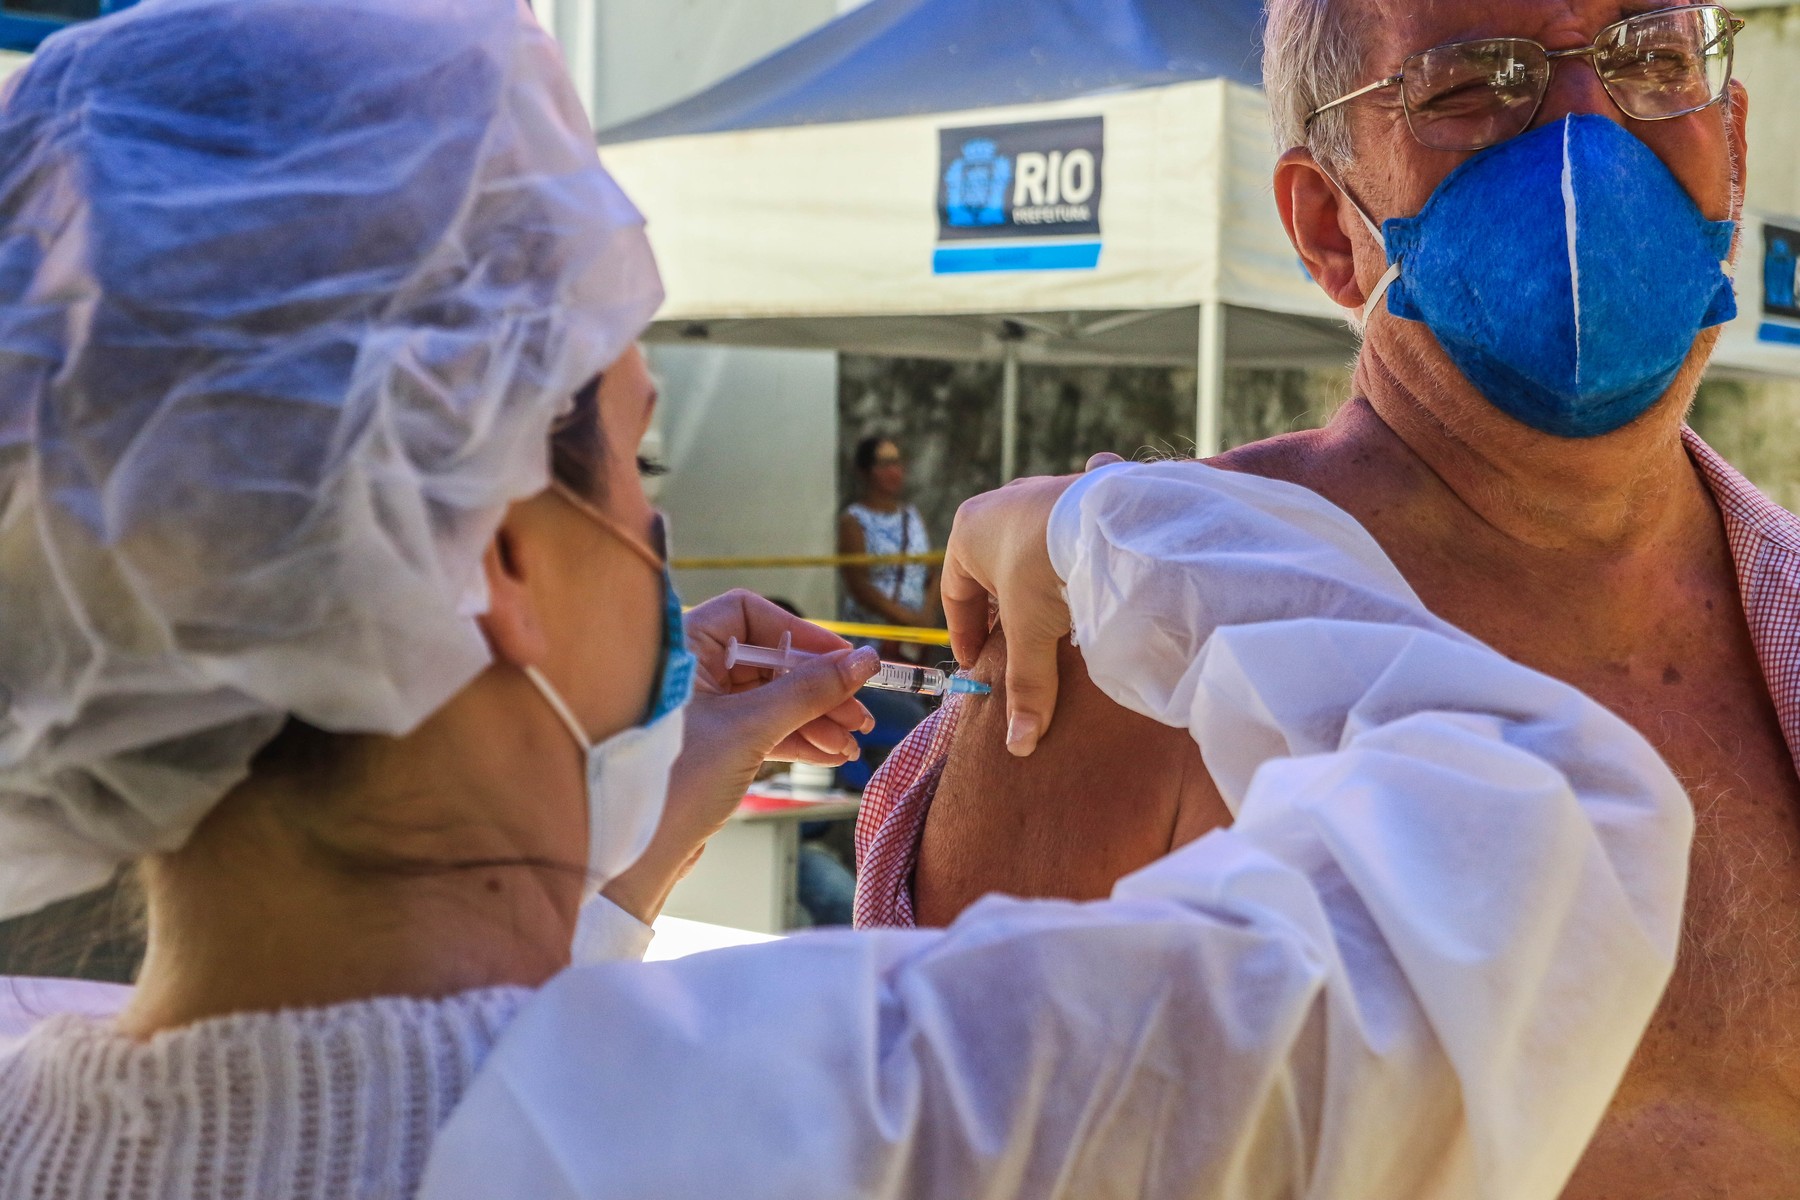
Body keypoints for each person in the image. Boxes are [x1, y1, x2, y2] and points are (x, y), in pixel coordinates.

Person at [0, 1, 1694, 1197]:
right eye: (635, 478)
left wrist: (634, 830)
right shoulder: (878, 1124)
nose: (660, 546)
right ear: (496, 555)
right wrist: (1115, 528)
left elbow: (415, 1096)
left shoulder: (38, 1093)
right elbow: (1536, 834)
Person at [857, 2, 1800, 1196]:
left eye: (1653, 60)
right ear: (1327, 227)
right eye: (1475, 86)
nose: (1585, 129)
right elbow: (951, 1154)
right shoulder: (1124, 634)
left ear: (1733, 143)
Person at [838, 436, 939, 648]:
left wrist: (926, 618)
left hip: (912, 638)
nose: (895, 471)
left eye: (897, 462)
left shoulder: (911, 516)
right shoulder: (854, 520)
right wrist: (907, 619)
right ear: (866, 471)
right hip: (873, 637)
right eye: (885, 464)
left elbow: (929, 572)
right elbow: (858, 585)